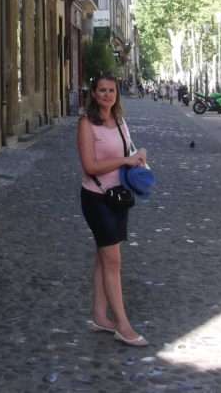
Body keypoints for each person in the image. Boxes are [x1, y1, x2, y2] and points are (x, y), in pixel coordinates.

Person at [77, 74, 149, 347]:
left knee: (104, 257)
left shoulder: (120, 122)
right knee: (113, 261)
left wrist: (138, 155)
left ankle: (99, 316)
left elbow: (128, 151)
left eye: (112, 90)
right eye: (102, 90)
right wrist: (125, 159)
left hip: (118, 198)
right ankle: (123, 324)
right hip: (96, 199)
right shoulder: (86, 123)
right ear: (94, 94)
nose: (107, 95)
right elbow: (90, 166)